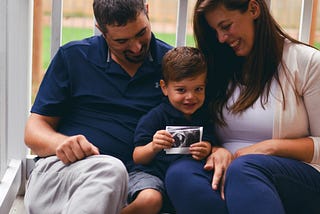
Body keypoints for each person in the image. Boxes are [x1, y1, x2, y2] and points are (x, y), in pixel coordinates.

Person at [165, 0, 320, 214]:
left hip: (298, 177)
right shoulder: (219, 64)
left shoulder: (307, 62)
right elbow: (206, 126)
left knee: (244, 169)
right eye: (214, 31)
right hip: (233, 171)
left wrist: (268, 147)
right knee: (180, 173)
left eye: (226, 26)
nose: (220, 38)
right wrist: (216, 149)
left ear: (253, 9)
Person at [23, 0, 172, 213]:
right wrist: (62, 143)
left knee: (141, 192)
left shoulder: (171, 65)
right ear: (101, 30)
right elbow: (33, 131)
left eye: (141, 33)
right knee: (111, 169)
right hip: (68, 171)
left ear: (147, 11)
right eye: (122, 41)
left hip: (136, 179)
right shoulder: (73, 57)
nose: (136, 47)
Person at [129, 46, 218, 213]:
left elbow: (210, 141)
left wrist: (206, 148)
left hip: (183, 179)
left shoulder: (205, 117)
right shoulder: (156, 117)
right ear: (164, 88)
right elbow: (138, 157)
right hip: (151, 175)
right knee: (150, 200)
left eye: (198, 89)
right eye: (181, 90)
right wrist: (154, 146)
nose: (190, 97)